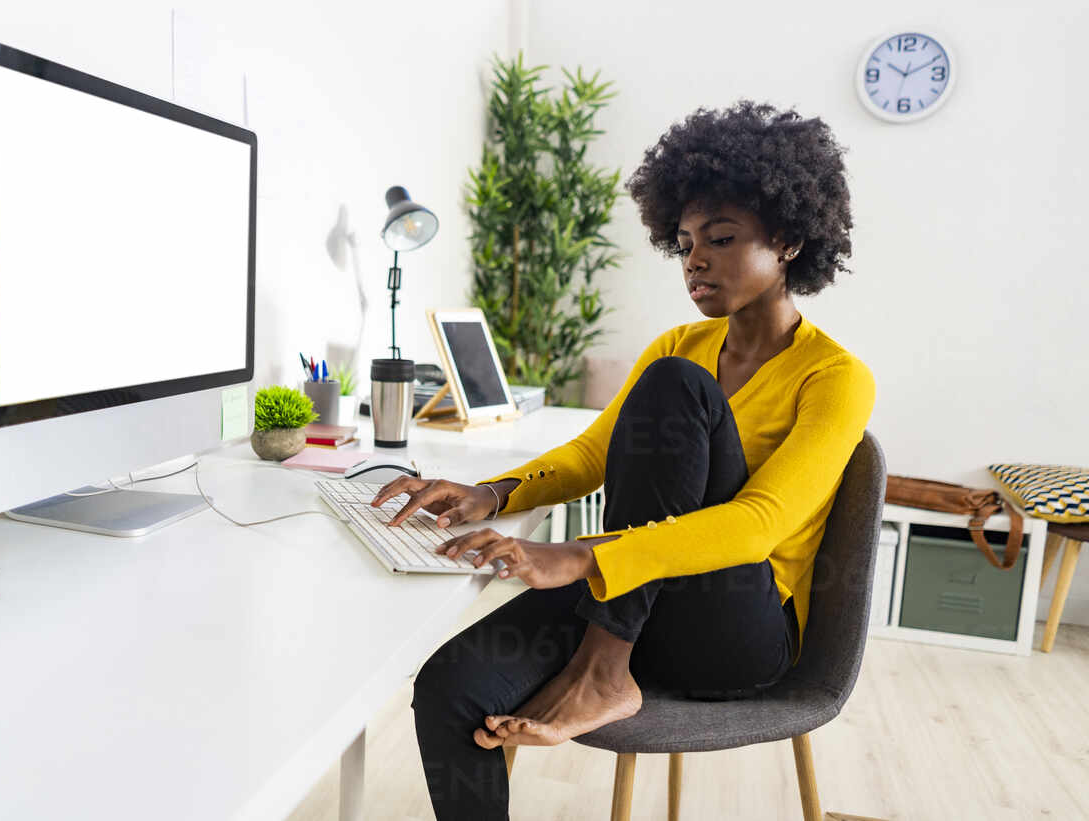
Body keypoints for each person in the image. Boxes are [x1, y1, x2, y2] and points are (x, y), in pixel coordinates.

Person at [370, 100, 876, 820]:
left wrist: (578, 556)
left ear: (790, 238)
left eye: (722, 238)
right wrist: (491, 493)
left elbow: (759, 524)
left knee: (675, 391)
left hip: (734, 635)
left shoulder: (836, 376)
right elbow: (595, 452)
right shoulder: (679, 343)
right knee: (453, 685)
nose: (695, 259)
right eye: (685, 241)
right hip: (640, 604)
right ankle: (601, 662)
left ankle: (604, 669)